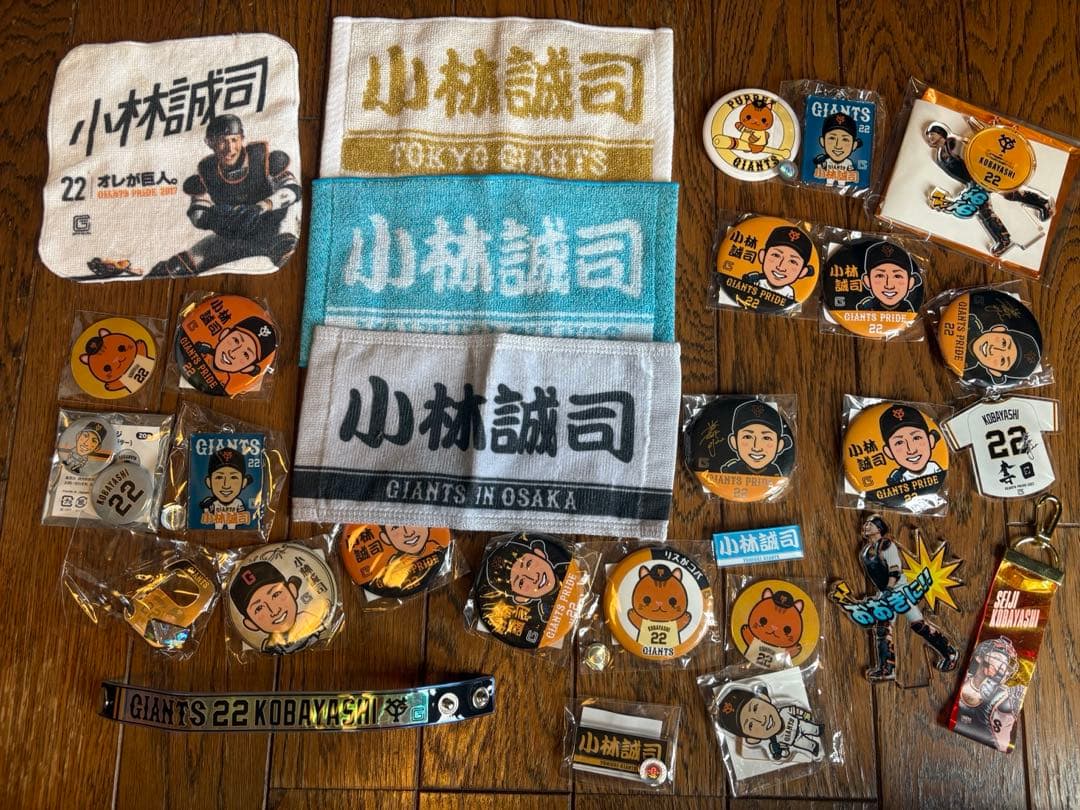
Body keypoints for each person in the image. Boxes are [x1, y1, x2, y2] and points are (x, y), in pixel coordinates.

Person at [146, 114, 300, 277]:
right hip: (235, 234)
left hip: (273, 229)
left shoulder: (265, 159)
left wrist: (262, 206)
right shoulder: (207, 171)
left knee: (289, 253)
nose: (230, 148)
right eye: (222, 141)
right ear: (209, 142)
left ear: (242, 139)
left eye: (234, 140)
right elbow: (198, 214)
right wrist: (218, 218)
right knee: (172, 269)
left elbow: (293, 189)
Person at [924, 122, 1052, 256]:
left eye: (932, 135)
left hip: (983, 175)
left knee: (1008, 195)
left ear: (941, 133)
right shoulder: (941, 152)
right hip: (976, 180)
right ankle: (1005, 237)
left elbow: (974, 152)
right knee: (988, 207)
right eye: (929, 137)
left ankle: (1040, 205)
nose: (931, 139)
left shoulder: (953, 142)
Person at [858, 515, 958, 680]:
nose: (866, 526)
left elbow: (895, 570)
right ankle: (887, 668)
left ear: (879, 528)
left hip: (899, 591)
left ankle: (949, 653)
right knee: (883, 628)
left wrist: (890, 589)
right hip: (886, 592)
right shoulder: (866, 550)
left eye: (871, 524)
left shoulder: (886, 545)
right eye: (866, 523)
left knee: (919, 625)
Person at [229, 560, 329, 654]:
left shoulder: (319, 617)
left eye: (276, 594)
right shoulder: (270, 649)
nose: (274, 611)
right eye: (259, 608)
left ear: (292, 590)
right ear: (251, 624)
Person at [716, 685, 822, 761]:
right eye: (750, 725)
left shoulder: (784, 711)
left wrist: (806, 715)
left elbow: (796, 711)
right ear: (753, 739)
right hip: (795, 741)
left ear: (764, 698)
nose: (762, 720)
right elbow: (780, 750)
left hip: (800, 724)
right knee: (804, 744)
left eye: (755, 708)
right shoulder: (775, 741)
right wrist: (779, 753)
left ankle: (817, 730)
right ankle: (813, 747)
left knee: (809, 727)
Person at [954, 636, 1021, 750]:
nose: (1003, 665)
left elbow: (1003, 743)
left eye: (1006, 661)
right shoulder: (964, 678)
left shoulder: (1006, 696)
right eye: (998, 657)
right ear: (980, 657)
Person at [743, 226, 816, 300]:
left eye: (792, 261)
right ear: (762, 256)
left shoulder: (788, 292)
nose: (781, 267)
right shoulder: (755, 280)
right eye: (776, 255)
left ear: (803, 272)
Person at [720, 400, 790, 476]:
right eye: (748, 437)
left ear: (780, 445)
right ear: (734, 442)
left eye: (766, 438)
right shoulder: (730, 471)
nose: (756, 447)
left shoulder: (777, 474)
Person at [880, 405, 943, 485]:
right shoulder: (897, 476)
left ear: (931, 440)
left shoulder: (933, 466)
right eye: (899, 442)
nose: (911, 450)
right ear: (888, 452)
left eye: (916, 438)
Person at [198, 447, 254, 530]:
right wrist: (206, 510)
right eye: (219, 477)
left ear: (244, 483)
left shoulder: (238, 502)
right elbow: (206, 511)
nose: (226, 485)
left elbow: (243, 514)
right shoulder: (212, 502)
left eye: (234, 477)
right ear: (209, 482)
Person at [856, 242, 919, 311]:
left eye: (897, 276)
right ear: (867, 281)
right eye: (880, 276)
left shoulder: (908, 309)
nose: (889, 286)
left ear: (911, 282)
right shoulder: (866, 307)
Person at [813, 112, 861, 187]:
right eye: (832, 138)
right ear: (822, 141)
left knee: (841, 184)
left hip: (843, 182)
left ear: (854, 145)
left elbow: (851, 171)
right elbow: (820, 167)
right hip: (826, 183)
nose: (838, 146)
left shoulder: (848, 162)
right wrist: (819, 165)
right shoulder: (827, 161)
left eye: (845, 139)